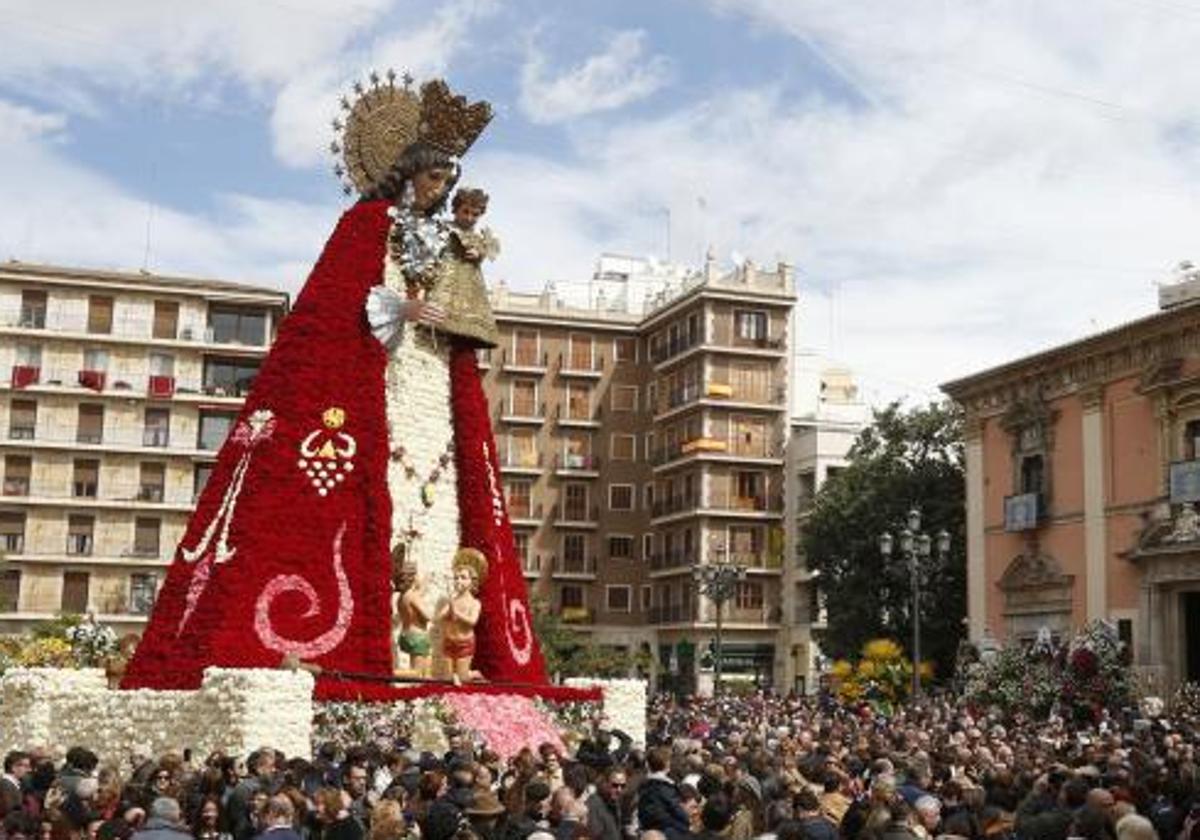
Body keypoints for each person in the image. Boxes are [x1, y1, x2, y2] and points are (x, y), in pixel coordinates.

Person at [121, 74, 547, 696]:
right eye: (432, 180)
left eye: (446, 184)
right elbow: (348, 302)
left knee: (441, 524)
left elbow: (458, 300)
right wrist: (402, 312)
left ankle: (440, 658)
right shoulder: (367, 223)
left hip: (432, 386)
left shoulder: (442, 238)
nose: (438, 192)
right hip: (379, 380)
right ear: (403, 173)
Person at [439, 548, 486, 683]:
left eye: (463, 577)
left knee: (463, 678)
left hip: (464, 643)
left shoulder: (474, 602)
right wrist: (447, 611)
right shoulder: (453, 601)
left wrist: (457, 613)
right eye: (456, 578)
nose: (458, 580)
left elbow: (473, 621)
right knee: (448, 679)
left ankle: (475, 673)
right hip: (448, 642)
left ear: (472, 581)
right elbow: (440, 617)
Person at [2, 751, 31, 818]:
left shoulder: (12, 784)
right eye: (26, 766)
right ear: (14, 767)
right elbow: (10, 815)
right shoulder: (6, 786)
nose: (29, 770)